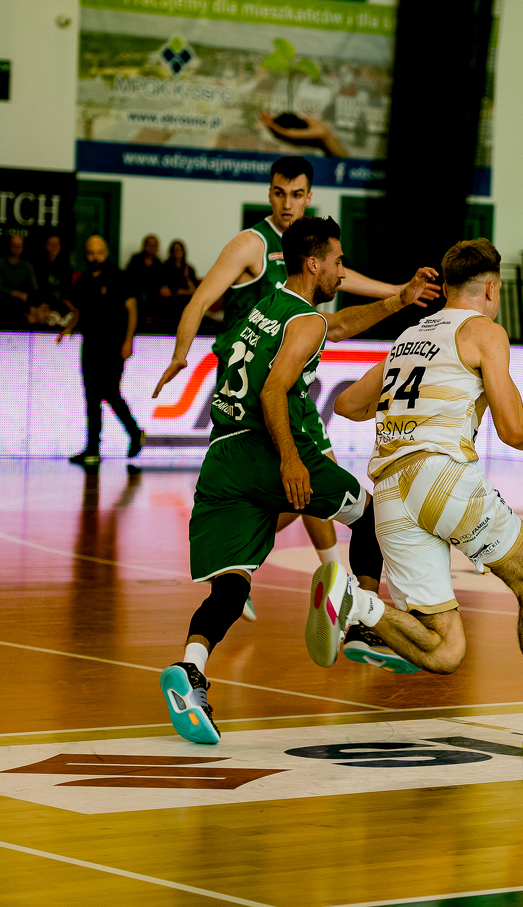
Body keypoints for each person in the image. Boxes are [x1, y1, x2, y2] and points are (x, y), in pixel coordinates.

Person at [150, 216, 437, 746]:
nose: (341, 271)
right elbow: (273, 390)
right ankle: (362, 623)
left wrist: (399, 299)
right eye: (338, 262)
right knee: (372, 517)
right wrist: (290, 459)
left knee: (232, 587)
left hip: (222, 456)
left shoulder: (265, 306)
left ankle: (190, 670)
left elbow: (337, 326)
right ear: (313, 263)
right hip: (265, 450)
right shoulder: (305, 321)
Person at [333, 238, 523, 759]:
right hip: (440, 477)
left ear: (447, 287)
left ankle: (357, 602)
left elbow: (347, 404)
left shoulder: (408, 337)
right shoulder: (484, 331)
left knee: (445, 649)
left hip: (389, 492)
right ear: (492, 288)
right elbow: (514, 431)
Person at [157, 155, 440, 611]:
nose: (286, 203)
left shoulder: (315, 251)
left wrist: (399, 293)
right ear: (269, 194)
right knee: (313, 485)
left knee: (307, 486)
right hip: (254, 387)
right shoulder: (252, 243)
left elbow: (343, 288)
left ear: (309, 197)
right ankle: (340, 595)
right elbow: (200, 301)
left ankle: (260, 572)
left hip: (287, 384)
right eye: (278, 193)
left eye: (296, 194)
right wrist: (180, 353)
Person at [59, 235, 145, 465]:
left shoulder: (119, 277)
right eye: (90, 253)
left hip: (114, 345)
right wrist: (69, 328)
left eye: (98, 252)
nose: (95, 257)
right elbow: (79, 311)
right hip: (90, 345)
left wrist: (129, 341)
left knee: (109, 391)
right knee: (91, 397)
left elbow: (132, 309)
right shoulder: (83, 281)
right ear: (85, 255)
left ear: (106, 253)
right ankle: (92, 449)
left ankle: (135, 431)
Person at [0, 234, 39, 324]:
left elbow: (34, 287)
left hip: (23, 301)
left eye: (19, 246)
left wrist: (26, 296)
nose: (17, 248)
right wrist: (14, 293)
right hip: (2, 299)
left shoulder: (27, 266)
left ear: (23, 248)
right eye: (14, 245)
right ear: (9, 246)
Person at [126, 233, 166, 329]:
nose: (152, 248)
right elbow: (128, 278)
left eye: (154, 245)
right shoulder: (136, 259)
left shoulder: (158, 263)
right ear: (144, 246)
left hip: (153, 295)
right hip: (136, 293)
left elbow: (161, 282)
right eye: (149, 245)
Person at [157, 239, 199, 330]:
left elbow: (194, 291)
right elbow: (164, 291)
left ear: (183, 252)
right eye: (175, 250)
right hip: (169, 302)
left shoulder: (188, 269)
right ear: (171, 252)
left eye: (179, 250)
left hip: (185, 302)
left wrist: (187, 277)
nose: (177, 252)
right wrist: (180, 292)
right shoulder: (164, 267)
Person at [33, 233, 72, 308]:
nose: (54, 247)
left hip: (61, 301)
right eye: (51, 244)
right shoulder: (39, 264)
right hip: (43, 300)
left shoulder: (65, 265)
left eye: (56, 244)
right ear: (46, 245)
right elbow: (38, 287)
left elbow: (67, 287)